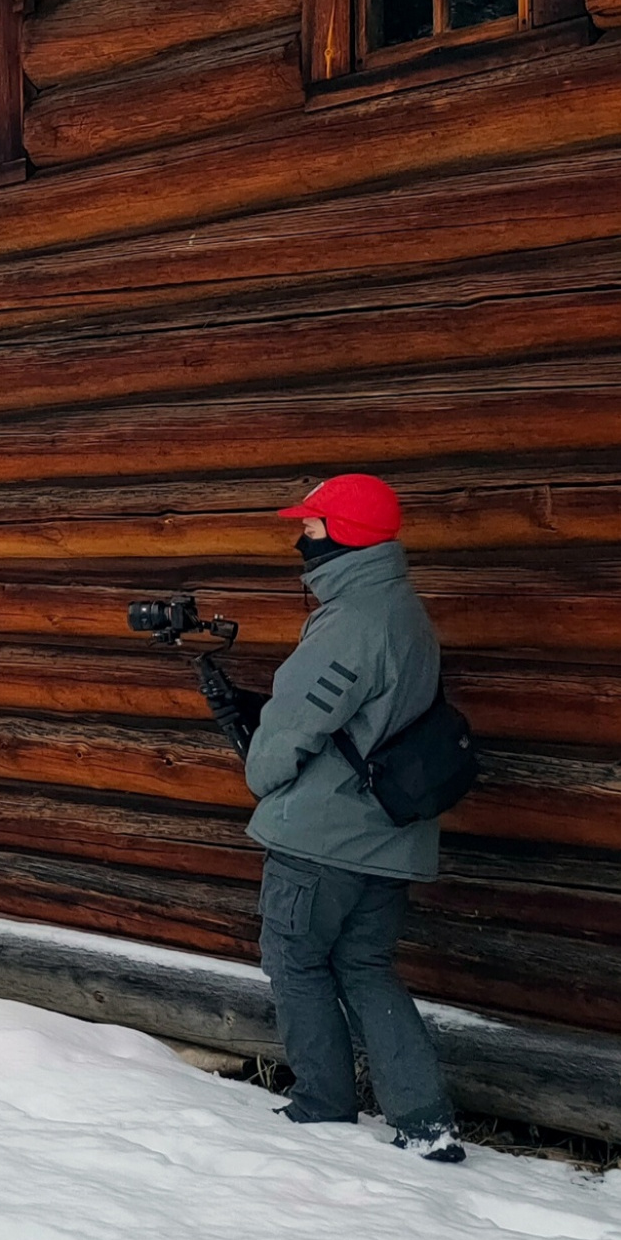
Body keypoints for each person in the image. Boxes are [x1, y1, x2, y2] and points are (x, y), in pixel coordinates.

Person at [232, 474, 461, 1161]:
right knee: (364, 965)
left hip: (325, 833)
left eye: (309, 526)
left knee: (293, 959)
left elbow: (297, 720)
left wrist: (258, 772)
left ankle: (322, 1105)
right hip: (389, 833)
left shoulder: (353, 618)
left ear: (344, 533)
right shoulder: (399, 608)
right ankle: (424, 1120)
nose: (299, 537)